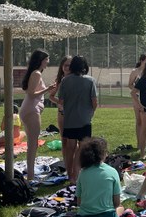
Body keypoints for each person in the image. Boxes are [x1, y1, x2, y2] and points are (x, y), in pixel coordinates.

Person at [59, 55, 98, 184]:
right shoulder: (90, 81)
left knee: (70, 148)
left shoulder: (65, 81)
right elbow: (94, 101)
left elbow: (61, 101)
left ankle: (70, 174)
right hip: (84, 120)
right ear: (85, 67)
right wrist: (91, 113)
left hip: (69, 120)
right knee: (81, 148)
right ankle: (76, 175)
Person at [72, 137, 123, 217]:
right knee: (121, 208)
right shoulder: (112, 171)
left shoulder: (82, 173)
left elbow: (79, 202)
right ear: (103, 154)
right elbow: (117, 202)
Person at [19, 49, 54, 183]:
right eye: (46, 59)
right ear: (40, 60)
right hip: (31, 111)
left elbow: (30, 91)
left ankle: (30, 173)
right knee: (33, 144)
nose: (48, 62)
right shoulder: (37, 73)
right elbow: (32, 93)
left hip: (29, 110)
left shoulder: (35, 73)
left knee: (31, 143)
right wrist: (48, 89)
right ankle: (31, 175)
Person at [128, 53, 146, 153]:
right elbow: (129, 84)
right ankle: (139, 143)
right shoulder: (135, 71)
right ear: (141, 61)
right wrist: (137, 91)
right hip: (137, 98)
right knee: (139, 121)